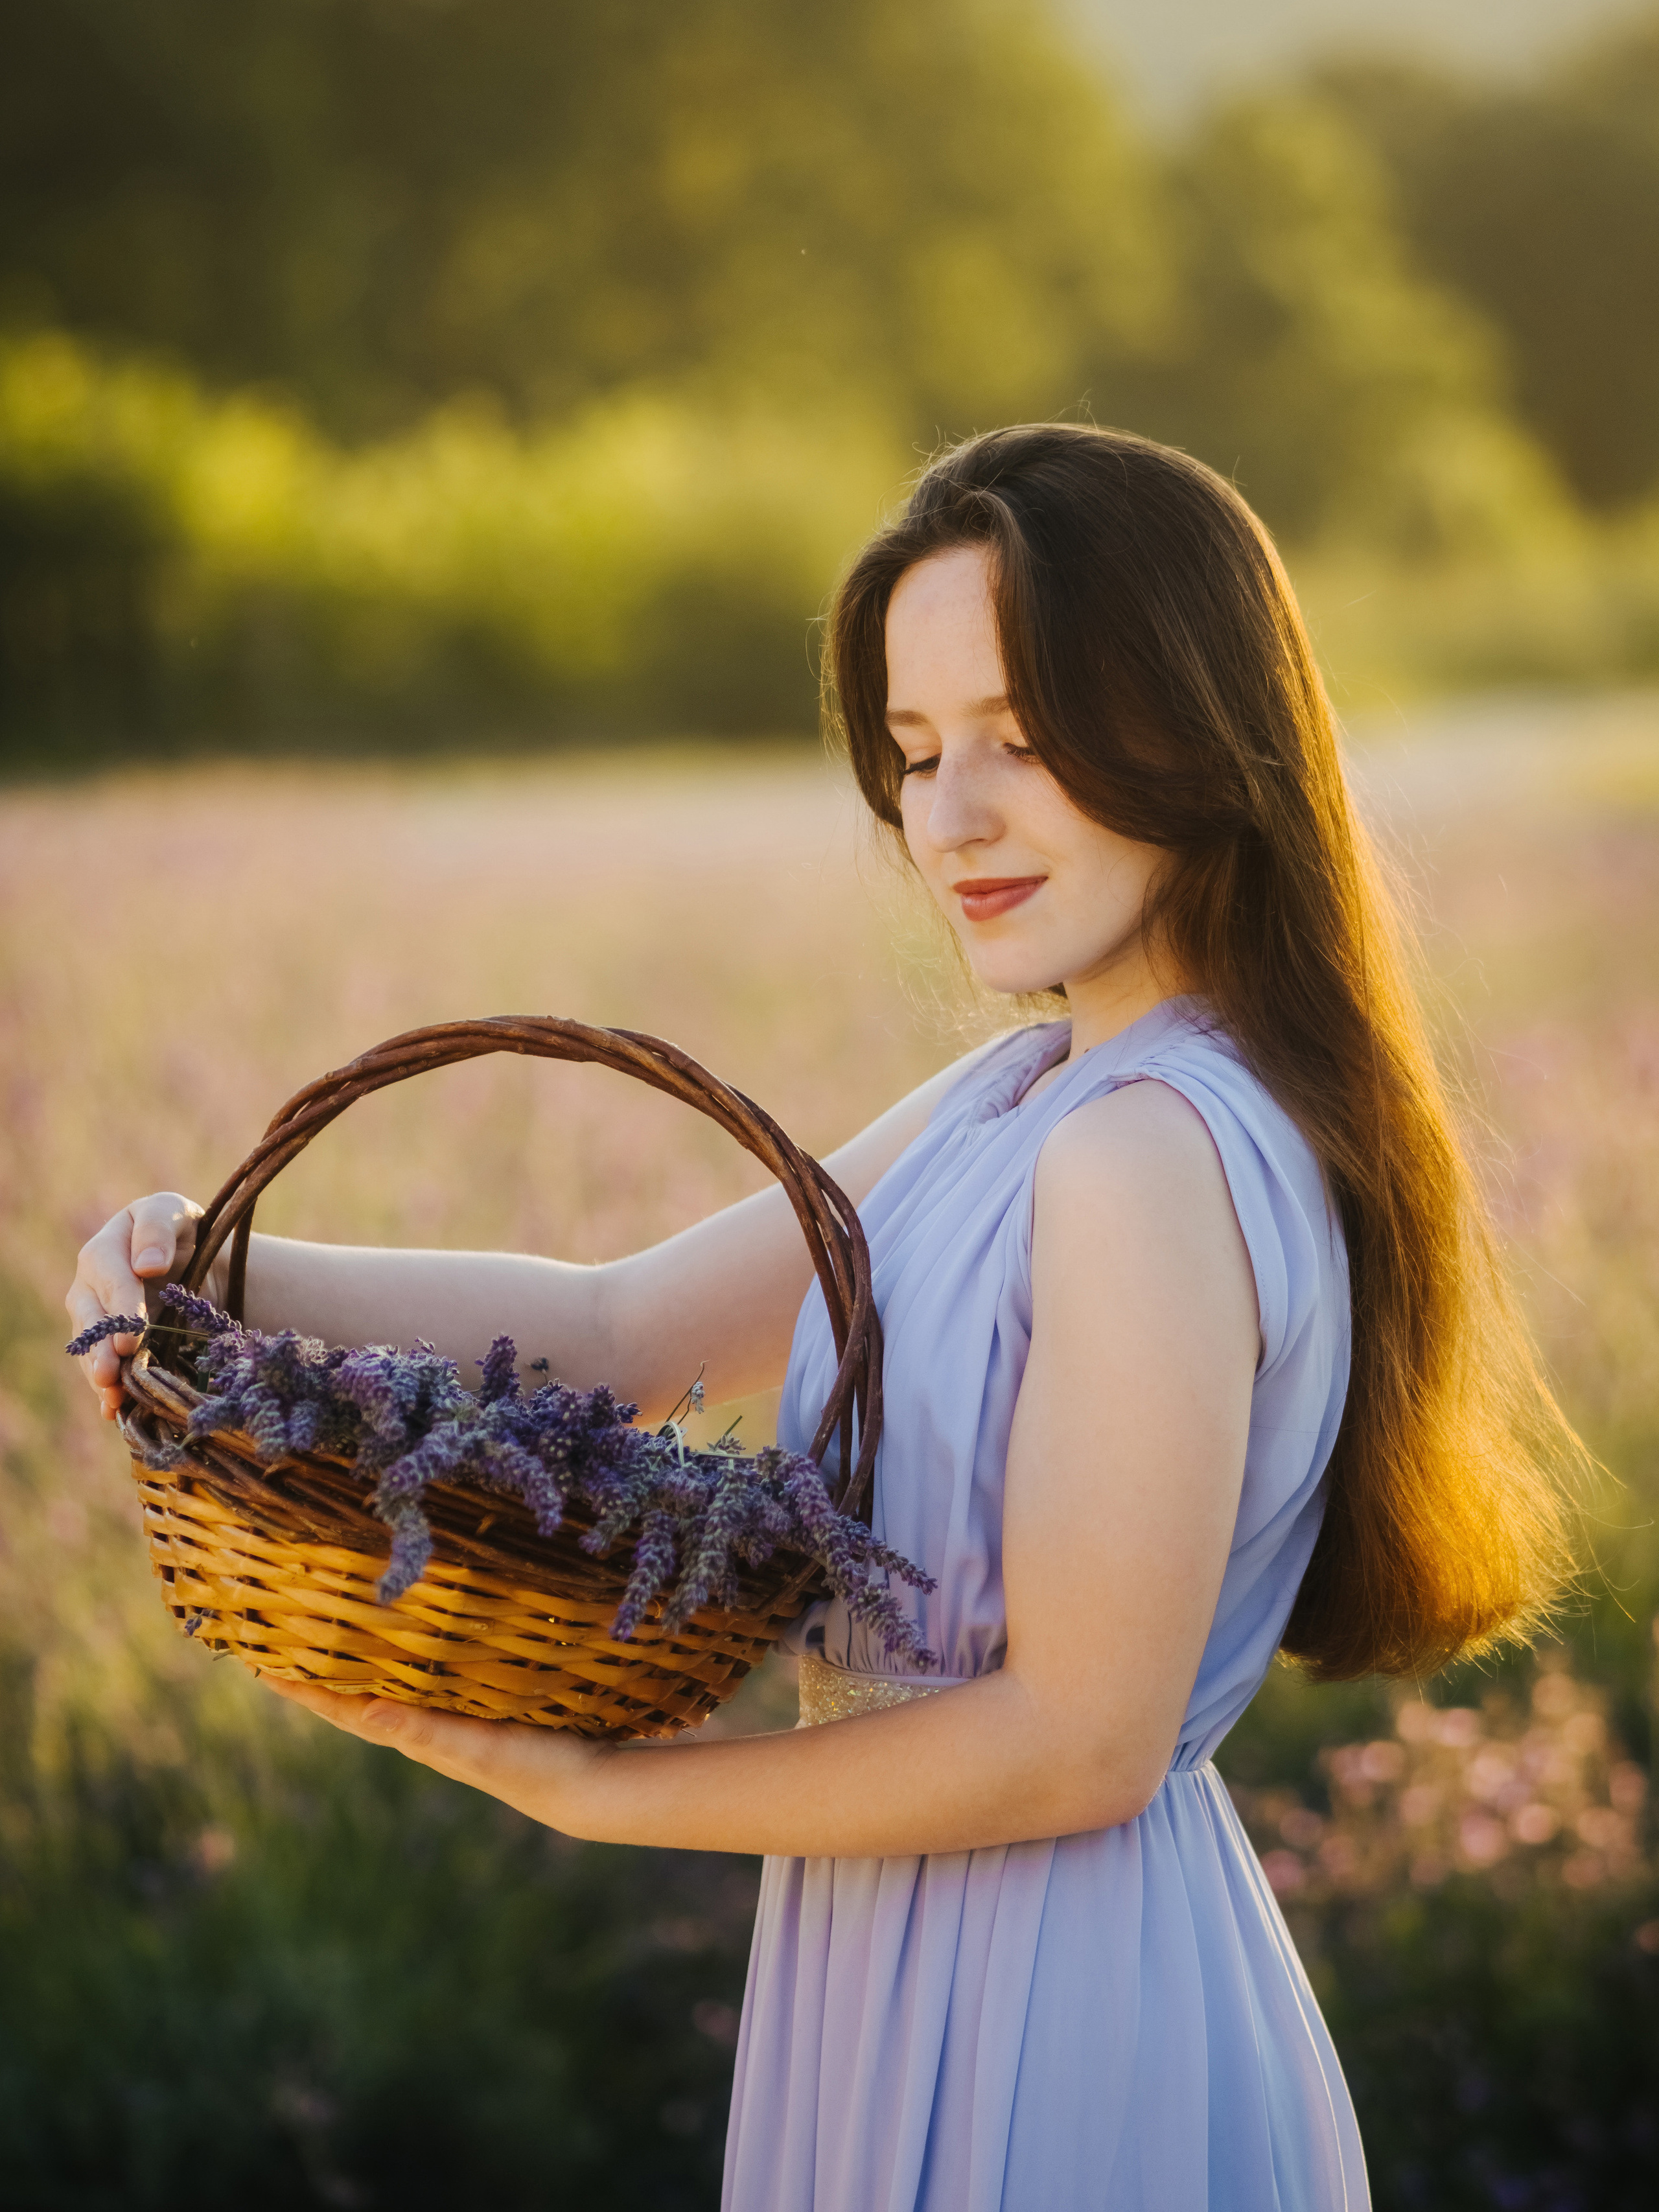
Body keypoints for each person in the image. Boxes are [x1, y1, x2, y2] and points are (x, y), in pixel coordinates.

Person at [67, 425, 1577, 2212]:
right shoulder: (1029, 1094)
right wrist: (223, 1270)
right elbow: (624, 1330)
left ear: (1201, 719)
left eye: (1023, 737)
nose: (951, 819)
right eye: (919, 752)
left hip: (1054, 2015)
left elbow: (1082, 1741)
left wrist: (610, 1796)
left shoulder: (1144, 1154)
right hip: (920, 1943)